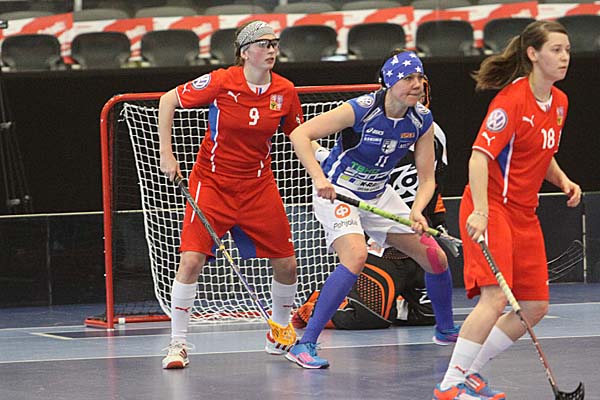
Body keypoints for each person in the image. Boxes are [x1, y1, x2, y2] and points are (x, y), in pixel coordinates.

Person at [433, 20, 581, 399]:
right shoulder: (511, 101)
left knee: (534, 306)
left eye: (566, 50)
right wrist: (481, 211)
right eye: (556, 50)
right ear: (533, 54)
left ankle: (470, 373)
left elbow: (542, 152)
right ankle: (449, 385)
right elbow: (479, 157)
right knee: (496, 298)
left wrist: (562, 179)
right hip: (492, 207)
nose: (564, 57)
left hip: (525, 213)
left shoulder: (559, 103)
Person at [286, 50, 454, 369]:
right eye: (408, 78)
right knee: (356, 256)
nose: (417, 84)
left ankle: (445, 331)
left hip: (378, 194)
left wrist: (418, 210)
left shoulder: (422, 120)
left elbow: (427, 178)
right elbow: (300, 134)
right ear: (390, 82)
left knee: (435, 257)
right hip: (339, 193)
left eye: (420, 78)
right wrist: (319, 178)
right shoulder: (361, 109)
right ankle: (304, 344)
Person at [158, 20, 304, 369]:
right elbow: (168, 100)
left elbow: (299, 135)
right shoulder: (222, 81)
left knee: (287, 264)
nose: (271, 50)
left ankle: (279, 332)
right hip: (212, 184)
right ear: (244, 52)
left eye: (274, 44)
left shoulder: (285, 91)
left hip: (258, 186)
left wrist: (320, 165)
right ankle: (178, 343)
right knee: (191, 260)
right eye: (263, 44)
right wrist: (167, 153)